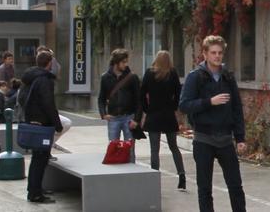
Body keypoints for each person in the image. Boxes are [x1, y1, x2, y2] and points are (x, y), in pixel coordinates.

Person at [179, 35, 249, 212]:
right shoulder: (195, 77)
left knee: (236, 186)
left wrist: (240, 138)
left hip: (225, 139)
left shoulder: (228, 77)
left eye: (220, 53)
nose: (217, 56)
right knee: (204, 189)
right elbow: (184, 105)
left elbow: (236, 108)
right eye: (213, 53)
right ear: (205, 54)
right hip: (204, 139)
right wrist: (209, 102)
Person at [18, 49, 64, 203]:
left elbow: (23, 98)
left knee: (38, 159)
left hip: (34, 121)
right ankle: (35, 193)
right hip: (42, 124)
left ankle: (36, 188)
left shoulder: (30, 78)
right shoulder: (44, 80)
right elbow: (48, 104)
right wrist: (57, 124)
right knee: (40, 159)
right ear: (49, 63)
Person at [142, 50, 187, 191]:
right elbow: (179, 93)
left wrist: (146, 108)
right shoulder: (172, 74)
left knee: (154, 149)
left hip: (154, 113)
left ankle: (155, 178)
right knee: (174, 147)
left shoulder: (149, 73)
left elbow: (142, 93)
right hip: (168, 114)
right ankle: (182, 176)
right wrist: (174, 107)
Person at [99, 49, 143, 142]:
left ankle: (131, 158)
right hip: (113, 117)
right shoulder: (105, 77)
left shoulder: (132, 77)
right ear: (116, 63)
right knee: (113, 147)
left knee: (130, 148)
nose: (126, 64)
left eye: (126, 62)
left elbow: (139, 100)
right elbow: (101, 98)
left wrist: (137, 119)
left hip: (129, 116)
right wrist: (103, 114)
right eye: (123, 62)